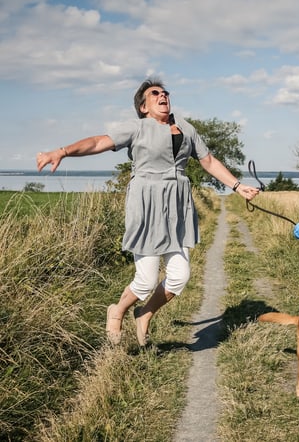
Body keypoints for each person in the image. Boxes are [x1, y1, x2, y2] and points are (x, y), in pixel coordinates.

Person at [36, 77, 260, 347]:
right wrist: (62, 151)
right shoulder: (137, 128)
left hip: (178, 206)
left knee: (179, 276)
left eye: (165, 93)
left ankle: (144, 315)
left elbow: (208, 161)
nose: (163, 96)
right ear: (143, 107)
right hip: (146, 204)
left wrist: (237, 186)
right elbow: (98, 142)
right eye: (155, 94)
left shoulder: (186, 128)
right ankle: (117, 311)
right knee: (146, 280)